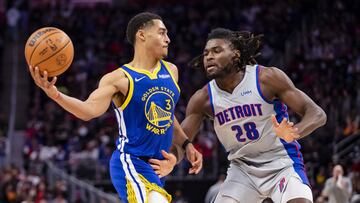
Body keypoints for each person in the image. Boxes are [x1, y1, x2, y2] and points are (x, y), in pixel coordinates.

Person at [28, 12, 202, 203]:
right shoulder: (119, 79)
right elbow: (88, 110)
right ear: (141, 35)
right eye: (162, 33)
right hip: (130, 162)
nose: (168, 39)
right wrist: (56, 95)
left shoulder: (171, 71)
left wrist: (187, 144)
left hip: (156, 168)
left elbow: (167, 116)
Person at [151, 28, 327, 203]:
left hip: (281, 162)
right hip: (242, 170)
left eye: (217, 51)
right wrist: (172, 159)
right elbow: (182, 141)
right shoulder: (203, 99)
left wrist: (295, 131)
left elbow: (317, 113)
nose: (209, 57)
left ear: (235, 54)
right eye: (206, 53)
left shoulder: (266, 78)